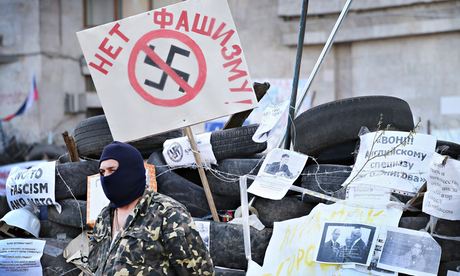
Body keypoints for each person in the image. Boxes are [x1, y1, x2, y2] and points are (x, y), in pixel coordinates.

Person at [88, 141, 214, 275]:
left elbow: (199, 272)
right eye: (102, 172)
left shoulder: (168, 214)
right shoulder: (105, 216)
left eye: (112, 170)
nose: (106, 177)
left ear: (131, 171)